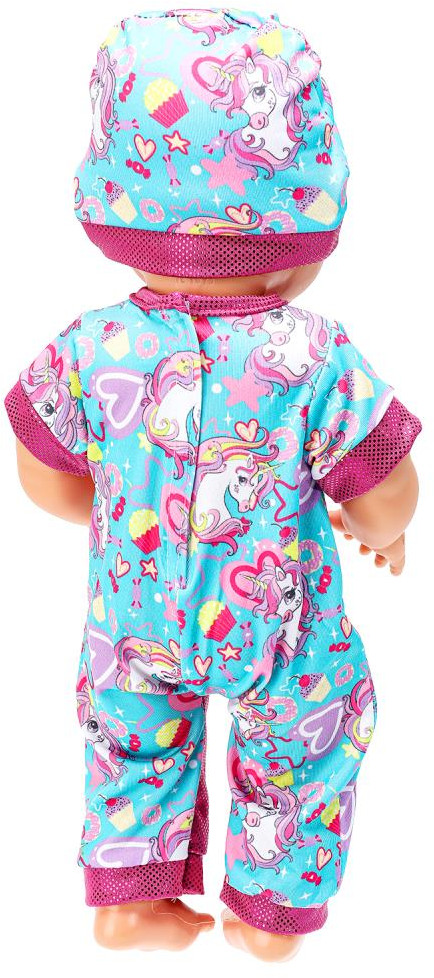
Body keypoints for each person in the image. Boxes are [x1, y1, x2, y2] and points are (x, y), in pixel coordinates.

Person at [3, 7, 421, 962]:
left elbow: (41, 479)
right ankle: (270, 913)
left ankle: (132, 901)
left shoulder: (93, 345)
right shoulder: (312, 355)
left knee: (128, 736)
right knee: (313, 735)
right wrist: (386, 532)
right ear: (306, 218)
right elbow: (386, 491)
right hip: (279, 626)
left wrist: (119, 513)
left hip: (132, 612)